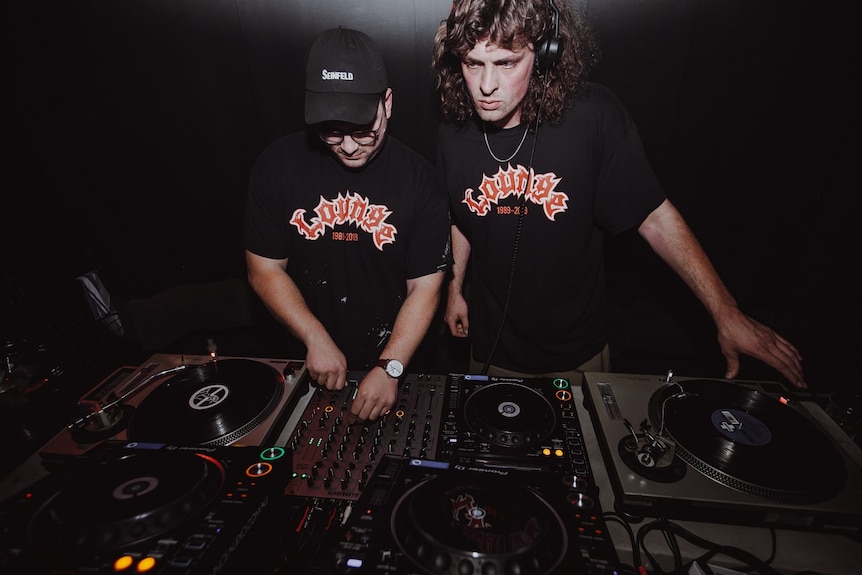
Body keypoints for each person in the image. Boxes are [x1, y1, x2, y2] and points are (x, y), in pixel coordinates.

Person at [432, 0, 806, 388]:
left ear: (544, 54)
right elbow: (461, 215)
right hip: (491, 349)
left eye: (506, 63)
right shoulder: (452, 136)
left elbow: (655, 217)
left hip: (578, 354)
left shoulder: (593, 117)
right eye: (473, 63)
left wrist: (726, 313)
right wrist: (455, 289)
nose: (486, 86)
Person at [243, 27, 452, 423]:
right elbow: (263, 268)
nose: (350, 146)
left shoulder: (421, 182)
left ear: (387, 103)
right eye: (332, 131)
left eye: (362, 129)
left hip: (398, 362)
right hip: (306, 358)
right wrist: (314, 336)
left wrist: (391, 365)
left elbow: (426, 287)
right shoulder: (277, 166)